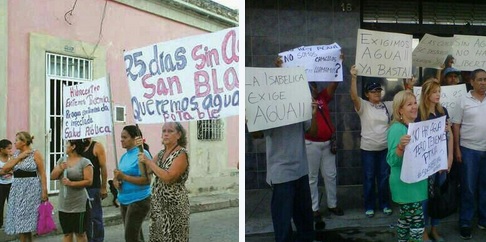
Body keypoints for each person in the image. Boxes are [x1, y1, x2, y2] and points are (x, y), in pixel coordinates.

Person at [249, 56, 318, 242]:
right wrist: (251, 120)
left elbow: (311, 130)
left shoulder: (299, 105)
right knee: (282, 223)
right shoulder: (271, 106)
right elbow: (257, 135)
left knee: (305, 220)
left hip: (301, 171)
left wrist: (314, 114)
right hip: (281, 175)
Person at [350, 66, 393, 218]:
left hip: (384, 148)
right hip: (368, 149)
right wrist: (354, 77)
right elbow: (354, 96)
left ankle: (385, 204)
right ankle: (369, 206)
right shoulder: (363, 106)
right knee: (368, 178)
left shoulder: (387, 106)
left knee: (383, 178)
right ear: (367, 94)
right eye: (373, 91)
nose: (377, 93)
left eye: (378, 91)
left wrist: (409, 85)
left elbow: (403, 100)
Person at [138, 122, 190, 242]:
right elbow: (146, 172)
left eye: (170, 131)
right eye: (164, 131)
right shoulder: (161, 154)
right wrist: (140, 151)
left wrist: (149, 161)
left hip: (174, 207)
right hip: (158, 207)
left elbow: (168, 178)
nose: (165, 134)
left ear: (179, 135)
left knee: (174, 238)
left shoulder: (181, 154)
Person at [416, 80, 454, 242]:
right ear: (426, 94)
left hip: (442, 162)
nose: (438, 95)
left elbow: (450, 135)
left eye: (439, 91)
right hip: (426, 165)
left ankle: (434, 229)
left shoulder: (443, 111)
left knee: (438, 196)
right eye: (434, 92)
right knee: (425, 198)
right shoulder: (418, 113)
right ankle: (424, 231)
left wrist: (450, 157)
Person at [387, 91, 427, 242]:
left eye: (415, 103)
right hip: (406, 185)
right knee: (417, 225)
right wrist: (399, 147)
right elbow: (391, 161)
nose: (414, 107)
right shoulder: (397, 129)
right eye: (409, 104)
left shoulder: (414, 127)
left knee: (405, 221)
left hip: (415, 183)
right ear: (400, 110)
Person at [451, 69, 486, 240]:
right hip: (469, 150)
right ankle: (465, 222)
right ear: (471, 82)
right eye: (479, 79)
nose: (483, 83)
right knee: (469, 188)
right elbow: (456, 125)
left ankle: (483, 219)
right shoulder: (463, 100)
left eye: (485, 80)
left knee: (484, 187)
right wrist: (457, 149)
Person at [305, 78, 344, 220]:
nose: (314, 90)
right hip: (310, 144)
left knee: (330, 175)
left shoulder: (322, 97)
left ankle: (332, 204)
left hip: (327, 144)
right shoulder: (301, 102)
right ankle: (313, 208)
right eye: (311, 87)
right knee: (312, 177)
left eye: (314, 86)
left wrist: (337, 67)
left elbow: (334, 85)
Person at [2, 131, 48, 242]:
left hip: (31, 190)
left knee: (26, 221)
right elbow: (5, 169)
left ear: (24, 142)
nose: (15, 142)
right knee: (21, 220)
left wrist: (44, 191)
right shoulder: (16, 154)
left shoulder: (35, 153)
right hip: (17, 190)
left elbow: (42, 173)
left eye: (17, 140)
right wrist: (19, 157)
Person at [113, 125, 152, 242]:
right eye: (121, 137)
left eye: (125, 137)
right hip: (124, 200)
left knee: (130, 237)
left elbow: (146, 181)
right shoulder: (124, 156)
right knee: (135, 236)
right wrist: (116, 181)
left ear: (135, 139)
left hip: (138, 200)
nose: (121, 140)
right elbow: (118, 176)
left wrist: (124, 176)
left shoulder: (142, 154)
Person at [50, 139, 94, 242]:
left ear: (73, 146)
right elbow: (52, 176)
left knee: (80, 233)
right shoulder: (62, 160)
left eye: (67, 144)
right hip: (64, 203)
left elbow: (89, 181)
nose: (65, 146)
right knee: (67, 233)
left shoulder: (85, 162)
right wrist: (61, 167)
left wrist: (71, 183)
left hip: (79, 204)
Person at [82, 138, 108, 242]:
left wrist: (104, 187)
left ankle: (98, 239)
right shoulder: (77, 146)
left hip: (93, 187)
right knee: (84, 218)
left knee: (95, 217)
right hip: (79, 188)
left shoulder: (96, 146)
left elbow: (103, 167)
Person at [0, 139, 13, 228]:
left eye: (11, 149)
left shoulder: (11, 158)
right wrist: (7, 171)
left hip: (11, 183)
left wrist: (4, 171)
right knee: (0, 204)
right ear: (1, 149)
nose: (10, 151)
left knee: (12, 204)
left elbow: (15, 169)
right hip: (1, 184)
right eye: (8, 149)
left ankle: (12, 222)